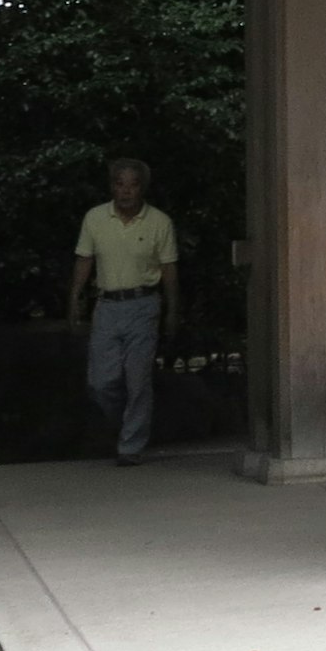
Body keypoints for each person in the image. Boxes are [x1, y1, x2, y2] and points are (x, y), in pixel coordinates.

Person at [70, 158, 181, 465]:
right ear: (112, 186)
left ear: (142, 188)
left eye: (133, 184)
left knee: (138, 379)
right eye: (120, 183)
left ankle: (130, 446)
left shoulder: (159, 222)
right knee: (100, 382)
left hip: (143, 305)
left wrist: (172, 310)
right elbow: (84, 259)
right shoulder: (95, 218)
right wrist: (75, 297)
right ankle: (125, 425)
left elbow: (169, 269)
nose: (126, 191)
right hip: (106, 305)